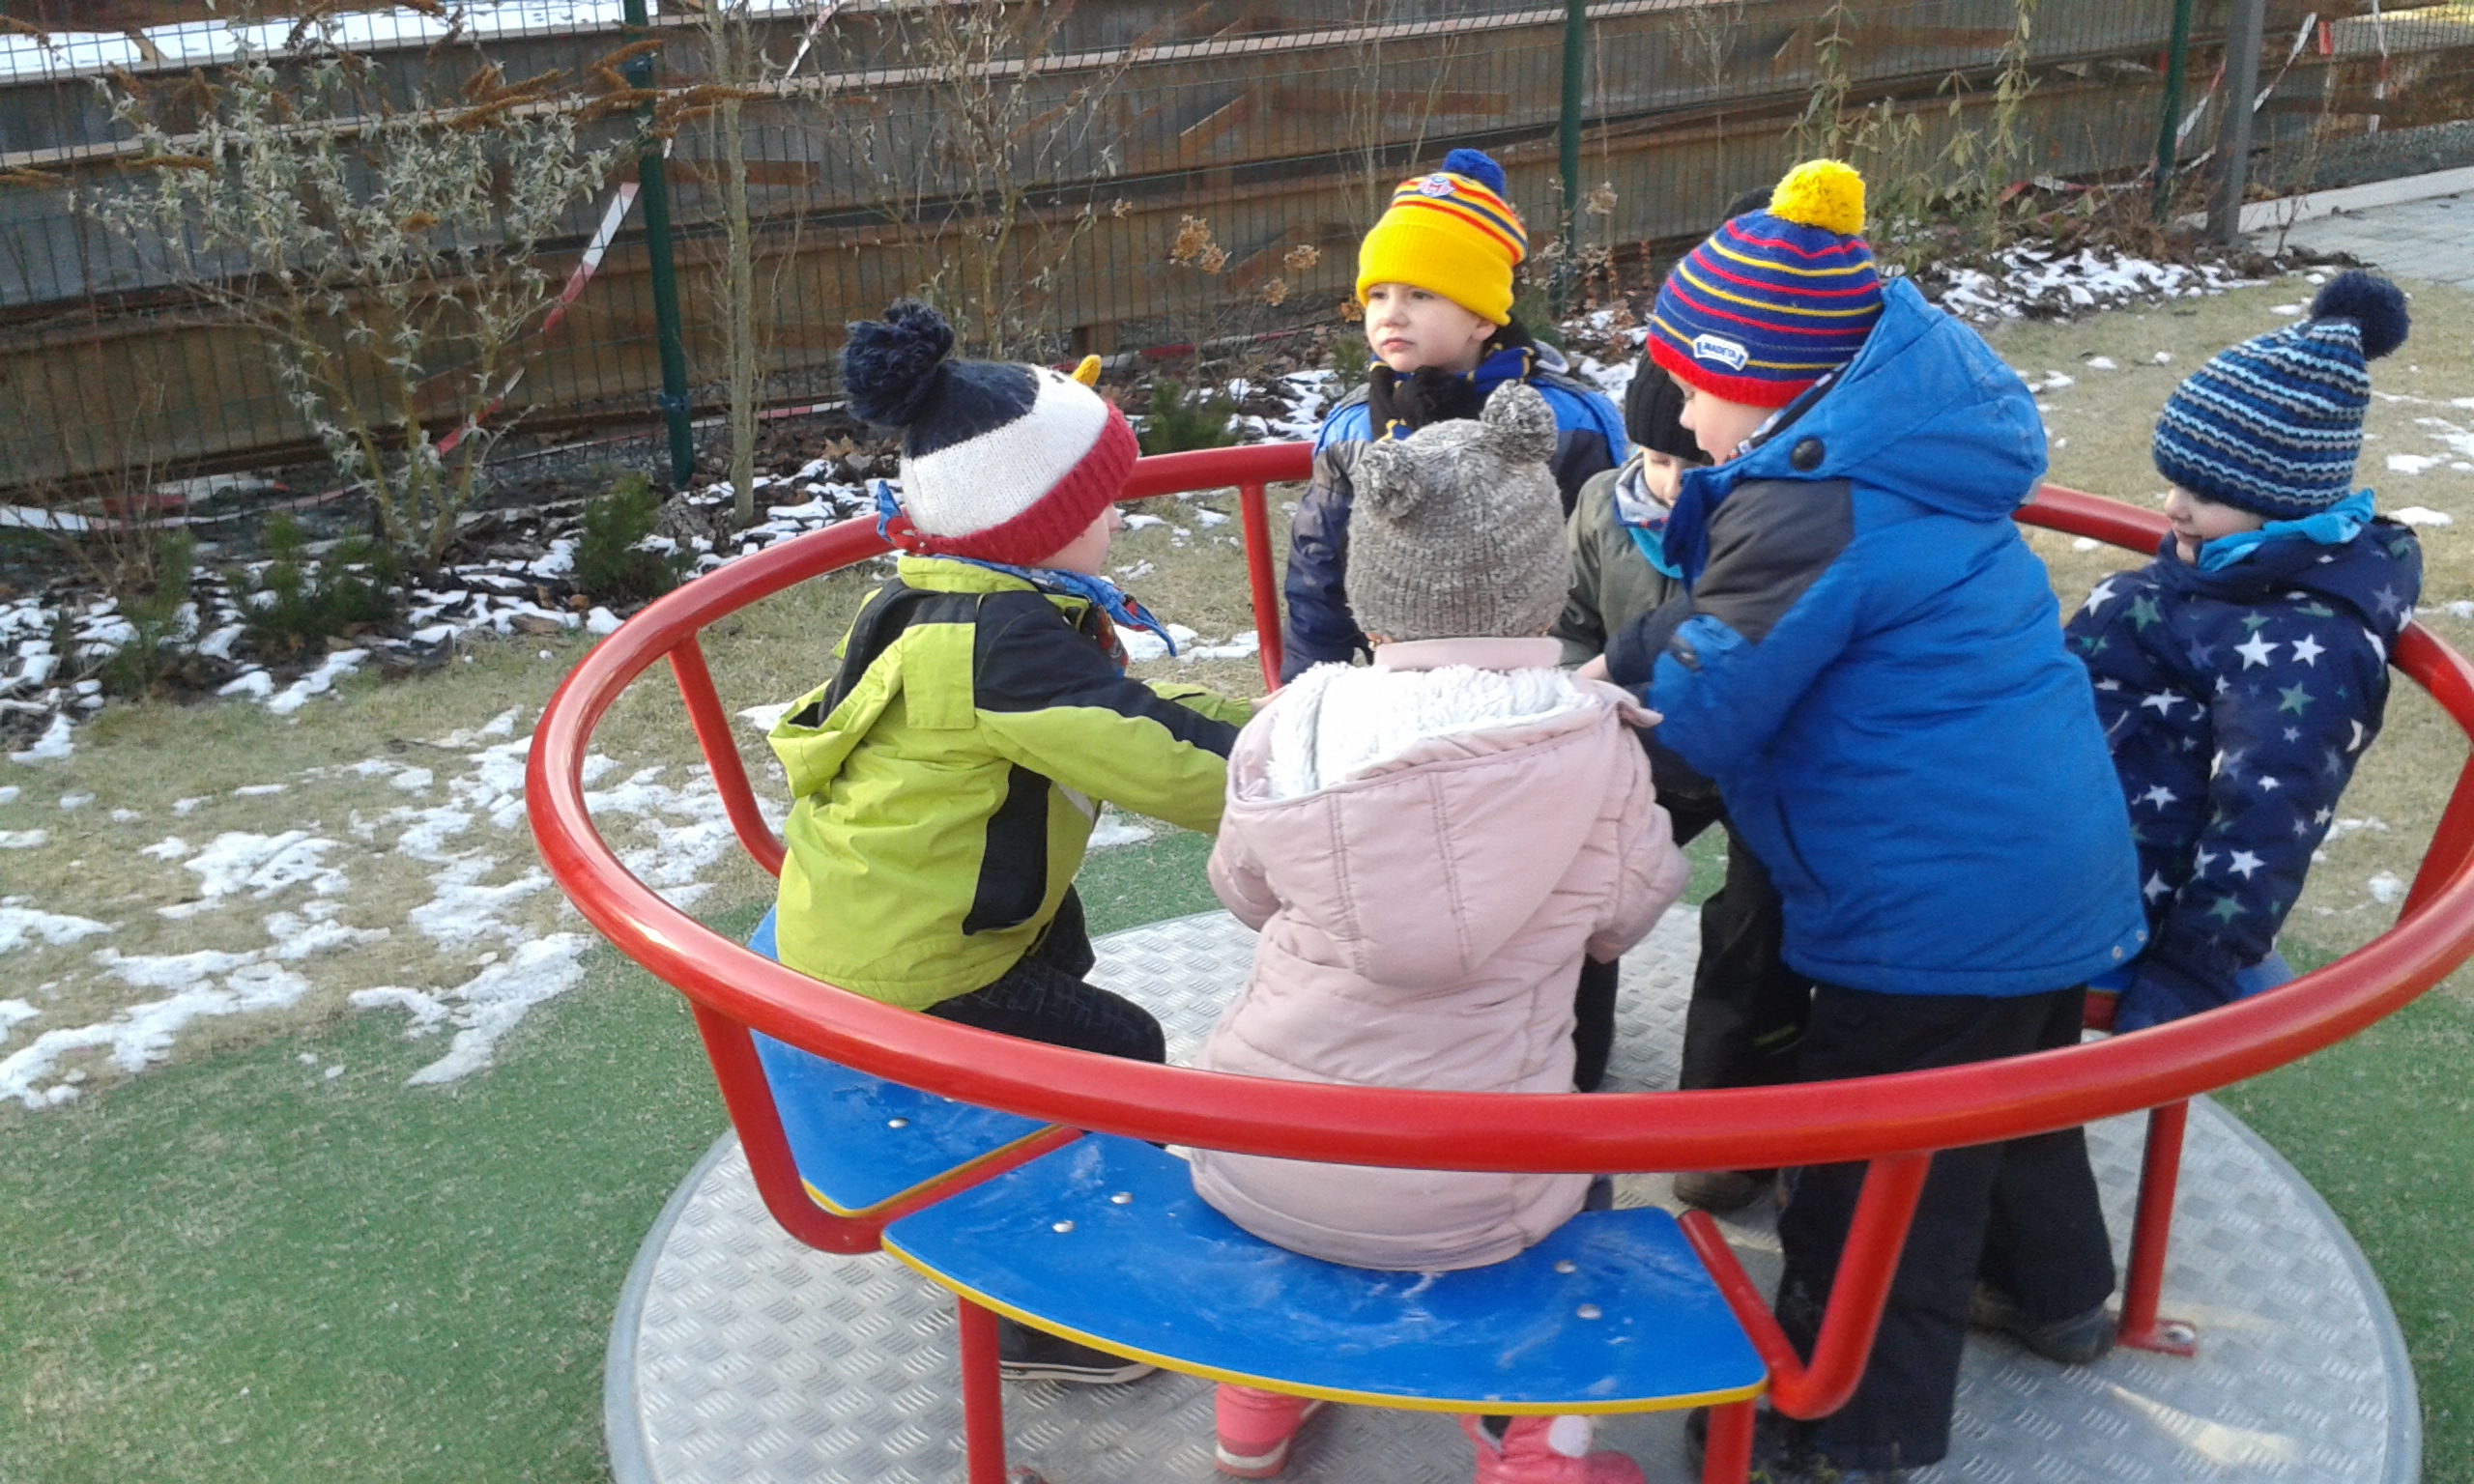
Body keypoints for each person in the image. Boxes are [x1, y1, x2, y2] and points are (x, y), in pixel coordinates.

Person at [1581, 161, 2146, 1481]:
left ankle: (1841, 1430)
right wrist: (1634, 654)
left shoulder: (1809, 503)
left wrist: (1571, 727)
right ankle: (2060, 1296)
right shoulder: (1889, 459)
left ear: (1775, 385)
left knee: (1876, 1175)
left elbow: (1702, 707)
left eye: (1695, 387)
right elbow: (1744, 620)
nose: (1683, 416)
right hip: (2036, 870)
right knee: (2011, 1099)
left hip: (1926, 910)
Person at [1192, 383, 1688, 1484]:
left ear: (1373, 599)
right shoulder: (1593, 742)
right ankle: (1530, 1441)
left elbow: (1243, 889)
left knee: (1303, 1197)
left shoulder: (1293, 723)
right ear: (1541, 593)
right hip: (1483, 1187)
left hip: (1261, 1152)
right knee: (1582, 1187)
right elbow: (1628, 912)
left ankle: (1254, 1411)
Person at [766, 301, 1251, 1384]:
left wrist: (1267, 720)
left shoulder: (955, 594)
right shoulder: (1001, 649)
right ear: (1039, 525)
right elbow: (1161, 758)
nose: (1117, 515)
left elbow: (1125, 708)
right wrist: (1304, 765)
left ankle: (1032, 1155)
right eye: (1101, 501)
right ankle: (1059, 1314)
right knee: (1119, 1052)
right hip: (909, 967)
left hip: (890, 915)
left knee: (1060, 954)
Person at [2064, 271, 2422, 1034]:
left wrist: (2193, 970)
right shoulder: (2214, 574)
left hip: (2123, 903)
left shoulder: (2301, 643)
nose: (2173, 507)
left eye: (2205, 494)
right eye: (2174, 481)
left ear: (2281, 503)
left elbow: (2268, 812)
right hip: (2066, 844)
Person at [1553, 188, 1811, 1209]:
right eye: (1655, 459)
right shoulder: (1602, 507)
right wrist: (1580, 696)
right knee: (1574, 873)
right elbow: (1575, 618)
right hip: (1645, 736)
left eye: (1692, 464)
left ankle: (1726, 1125)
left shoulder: (1779, 519)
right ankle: (1563, 1064)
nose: (1669, 482)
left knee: (1754, 925)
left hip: (1765, 751)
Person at [1280, 147, 1628, 682]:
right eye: (1378, 294)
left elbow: (1599, 564)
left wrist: (1591, 684)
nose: (1391, 314)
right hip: (1401, 683)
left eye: (1420, 295)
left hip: (1544, 680)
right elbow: (1319, 574)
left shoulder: (1566, 420)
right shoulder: (1354, 428)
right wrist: (1309, 688)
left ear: (1483, 318)